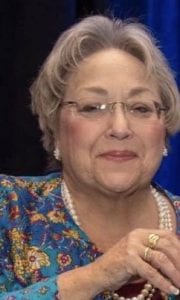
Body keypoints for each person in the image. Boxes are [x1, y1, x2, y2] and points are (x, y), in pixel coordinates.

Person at [0, 15, 180, 300]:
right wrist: (99, 275)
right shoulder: (9, 210)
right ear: (56, 127)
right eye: (93, 107)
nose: (120, 128)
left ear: (165, 128)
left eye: (141, 108)